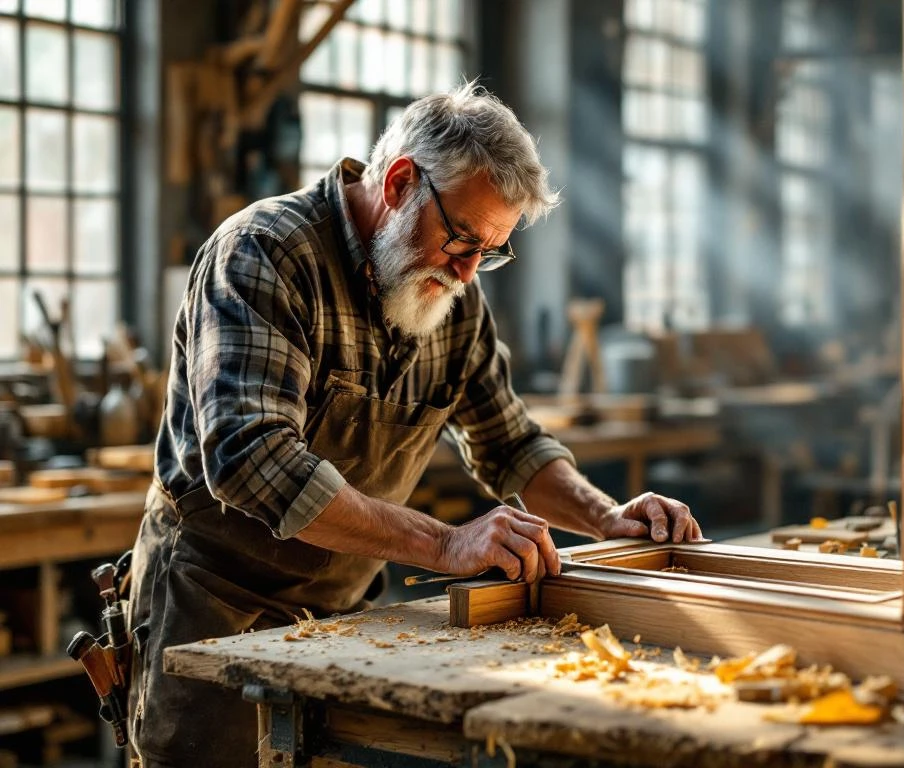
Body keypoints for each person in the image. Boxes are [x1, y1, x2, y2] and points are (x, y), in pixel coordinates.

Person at [128, 82, 704, 767]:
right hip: (217, 608)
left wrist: (608, 520)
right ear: (400, 182)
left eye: (489, 251)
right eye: (461, 239)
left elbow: (509, 442)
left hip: (343, 612)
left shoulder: (451, 296)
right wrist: (448, 546)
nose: (466, 272)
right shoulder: (267, 252)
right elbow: (252, 461)